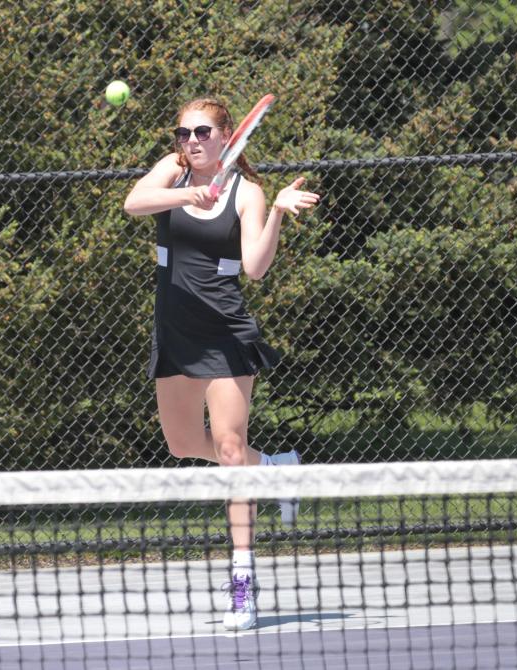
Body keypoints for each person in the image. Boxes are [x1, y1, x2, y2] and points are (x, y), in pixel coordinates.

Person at [123, 97, 320, 630]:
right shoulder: (174, 171)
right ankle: (277, 471)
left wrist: (276, 210)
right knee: (183, 444)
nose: (191, 139)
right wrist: (190, 190)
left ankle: (242, 586)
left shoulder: (247, 191)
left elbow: (254, 268)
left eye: (203, 131)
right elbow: (133, 203)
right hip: (176, 333)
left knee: (231, 450)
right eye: (183, 131)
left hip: (227, 334)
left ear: (227, 136)